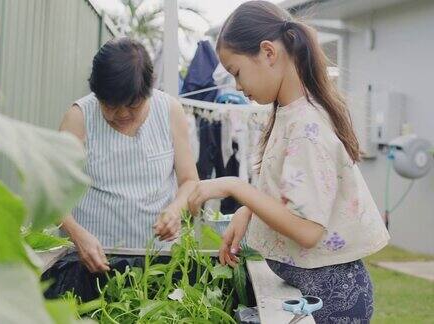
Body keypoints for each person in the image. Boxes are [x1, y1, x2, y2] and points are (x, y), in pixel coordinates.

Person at [187, 1, 390, 322]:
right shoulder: (288, 113)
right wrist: (248, 210)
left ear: (268, 53)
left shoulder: (306, 128)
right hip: (315, 288)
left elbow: (308, 230)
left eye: (236, 72)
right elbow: (290, 191)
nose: (238, 86)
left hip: (332, 298)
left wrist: (235, 187)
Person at [59, 37, 198, 274]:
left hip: (158, 261)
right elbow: (51, 195)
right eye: (111, 105)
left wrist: (176, 209)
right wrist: (76, 233)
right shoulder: (79, 117)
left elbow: (190, 182)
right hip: (92, 261)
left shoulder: (170, 111)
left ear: (148, 91)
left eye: (133, 105)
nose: (122, 114)